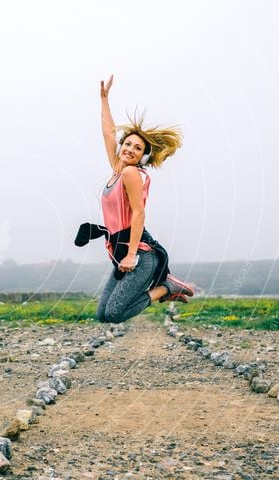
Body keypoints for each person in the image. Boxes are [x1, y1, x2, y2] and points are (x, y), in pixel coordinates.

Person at [75, 74, 194, 323]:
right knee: (102, 315)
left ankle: (166, 288)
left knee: (115, 314)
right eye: (127, 144)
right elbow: (109, 133)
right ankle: (164, 287)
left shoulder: (130, 173)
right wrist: (104, 100)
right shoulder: (119, 170)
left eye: (137, 148)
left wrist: (130, 256)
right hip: (120, 251)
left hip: (139, 253)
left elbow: (139, 213)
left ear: (142, 156)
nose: (129, 149)